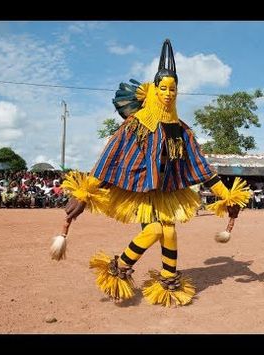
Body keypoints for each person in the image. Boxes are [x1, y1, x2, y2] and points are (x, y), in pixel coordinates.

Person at [61, 39, 250, 307]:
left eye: (174, 89)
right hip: (140, 191)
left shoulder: (182, 130)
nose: (169, 93)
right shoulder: (136, 124)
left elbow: (201, 166)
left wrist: (227, 197)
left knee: (169, 232)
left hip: (166, 192)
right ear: (154, 89)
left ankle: (168, 285)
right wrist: (84, 193)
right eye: (164, 88)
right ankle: (118, 268)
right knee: (154, 231)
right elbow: (110, 159)